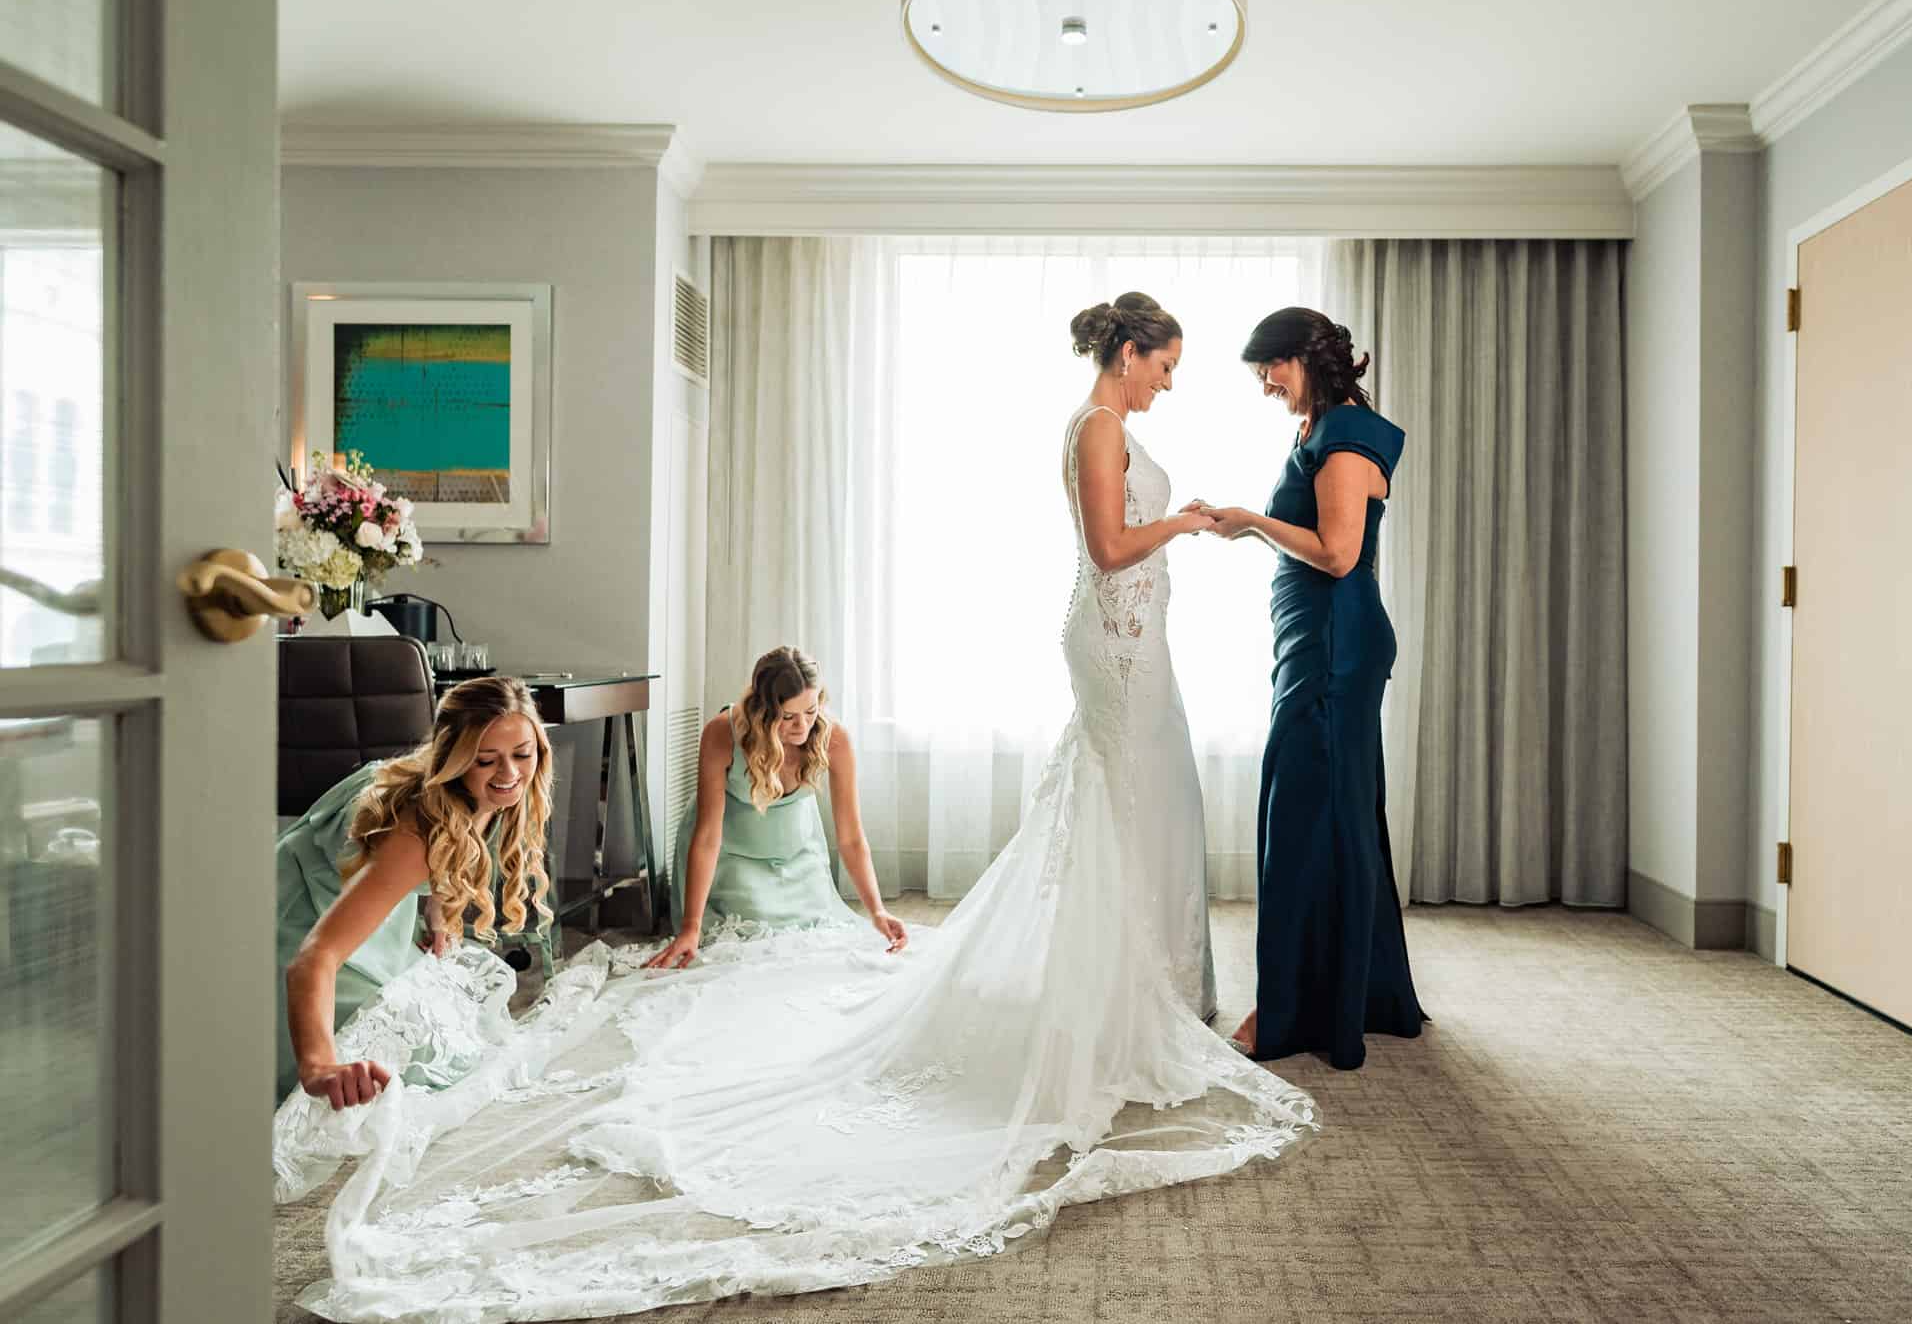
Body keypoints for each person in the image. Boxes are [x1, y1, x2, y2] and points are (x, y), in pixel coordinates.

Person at [274, 294, 1313, 1320]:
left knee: (1140, 815)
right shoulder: (1094, 426)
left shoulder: (1108, 432)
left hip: (1134, 647)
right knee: (1119, 808)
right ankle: (1115, 1005)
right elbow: (1108, 549)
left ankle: (1138, 993)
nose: (1169, 382)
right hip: (1115, 645)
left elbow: (852, 829)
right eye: (1165, 363)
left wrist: (868, 910)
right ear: (1127, 353)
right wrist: (1184, 521)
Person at [1189, 306, 1426, 1068]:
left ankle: (1288, 1009)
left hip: (1333, 650)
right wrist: (1246, 524)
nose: (1265, 382)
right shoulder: (1322, 428)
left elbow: (1336, 553)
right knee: (1333, 816)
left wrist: (1252, 520)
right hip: (1316, 644)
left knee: (1301, 821)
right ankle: (1357, 992)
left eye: (1271, 366)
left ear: (1304, 357)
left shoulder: (1347, 435)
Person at [274, 675, 553, 1106]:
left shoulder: (457, 792)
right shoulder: (415, 836)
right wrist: (319, 1066)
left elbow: (453, 846)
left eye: (523, 754)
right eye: (486, 760)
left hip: (351, 910)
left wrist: (435, 915)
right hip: (295, 932)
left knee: (458, 1018)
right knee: (424, 1053)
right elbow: (315, 956)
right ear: (455, 760)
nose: (510, 774)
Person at [648, 645, 907, 966]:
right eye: (788, 716)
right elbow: (706, 838)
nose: (802, 726)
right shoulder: (721, 733)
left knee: (812, 945)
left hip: (797, 855)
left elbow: (851, 838)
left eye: (811, 711)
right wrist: (690, 928)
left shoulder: (834, 737)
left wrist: (877, 909)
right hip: (730, 857)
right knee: (748, 946)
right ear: (762, 710)